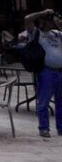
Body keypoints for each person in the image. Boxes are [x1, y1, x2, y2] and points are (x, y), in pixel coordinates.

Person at [24, 8, 62, 137]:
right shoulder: (36, 33)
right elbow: (27, 19)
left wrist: (59, 23)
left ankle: (61, 127)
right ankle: (44, 128)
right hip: (46, 71)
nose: (51, 22)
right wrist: (42, 13)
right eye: (49, 20)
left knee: (60, 101)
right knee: (44, 101)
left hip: (59, 71)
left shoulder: (57, 33)